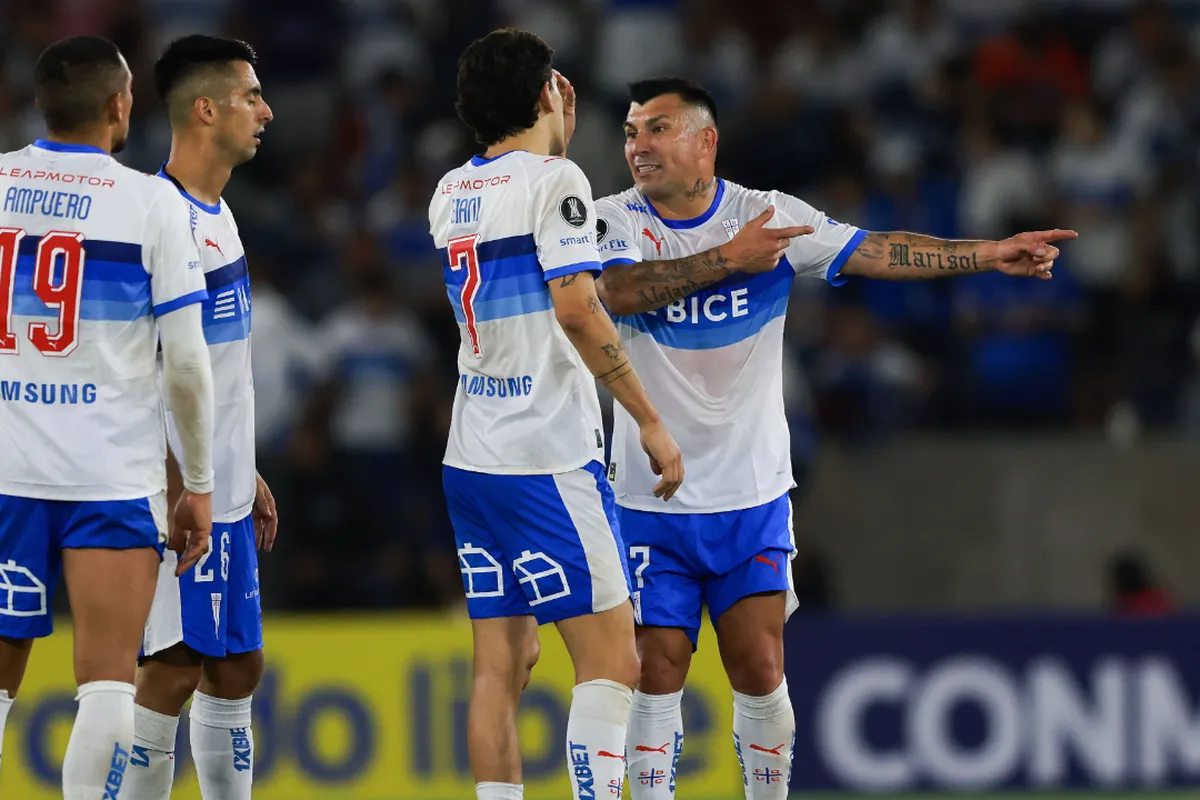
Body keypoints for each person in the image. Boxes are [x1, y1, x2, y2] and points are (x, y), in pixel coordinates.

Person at [593, 77, 1077, 799]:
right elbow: (618, 293)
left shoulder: (770, 217)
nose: (638, 146)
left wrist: (987, 254)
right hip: (646, 495)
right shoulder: (612, 221)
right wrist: (730, 259)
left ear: (706, 141)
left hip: (749, 491)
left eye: (657, 129)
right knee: (657, 665)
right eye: (632, 132)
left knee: (758, 665)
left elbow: (874, 249)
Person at [429, 28, 687, 800]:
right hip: (544, 455)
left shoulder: (450, 190)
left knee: (502, 665)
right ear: (548, 95)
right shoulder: (558, 180)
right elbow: (578, 307)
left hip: (472, 456)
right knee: (612, 663)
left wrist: (548, 142)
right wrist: (646, 416)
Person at [0, 36, 215, 798]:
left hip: (6, 469)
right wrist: (197, 481)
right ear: (120, 105)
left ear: (41, 103)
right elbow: (187, 365)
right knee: (107, 685)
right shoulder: (149, 202)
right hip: (109, 475)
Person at [124, 35, 277, 800]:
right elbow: (142, 375)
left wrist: (238, 463)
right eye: (252, 97)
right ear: (205, 107)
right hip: (181, 496)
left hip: (220, 482)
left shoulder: (216, 213)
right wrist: (184, 481)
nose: (267, 112)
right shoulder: (162, 220)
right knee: (175, 664)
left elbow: (210, 370)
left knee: (236, 665)